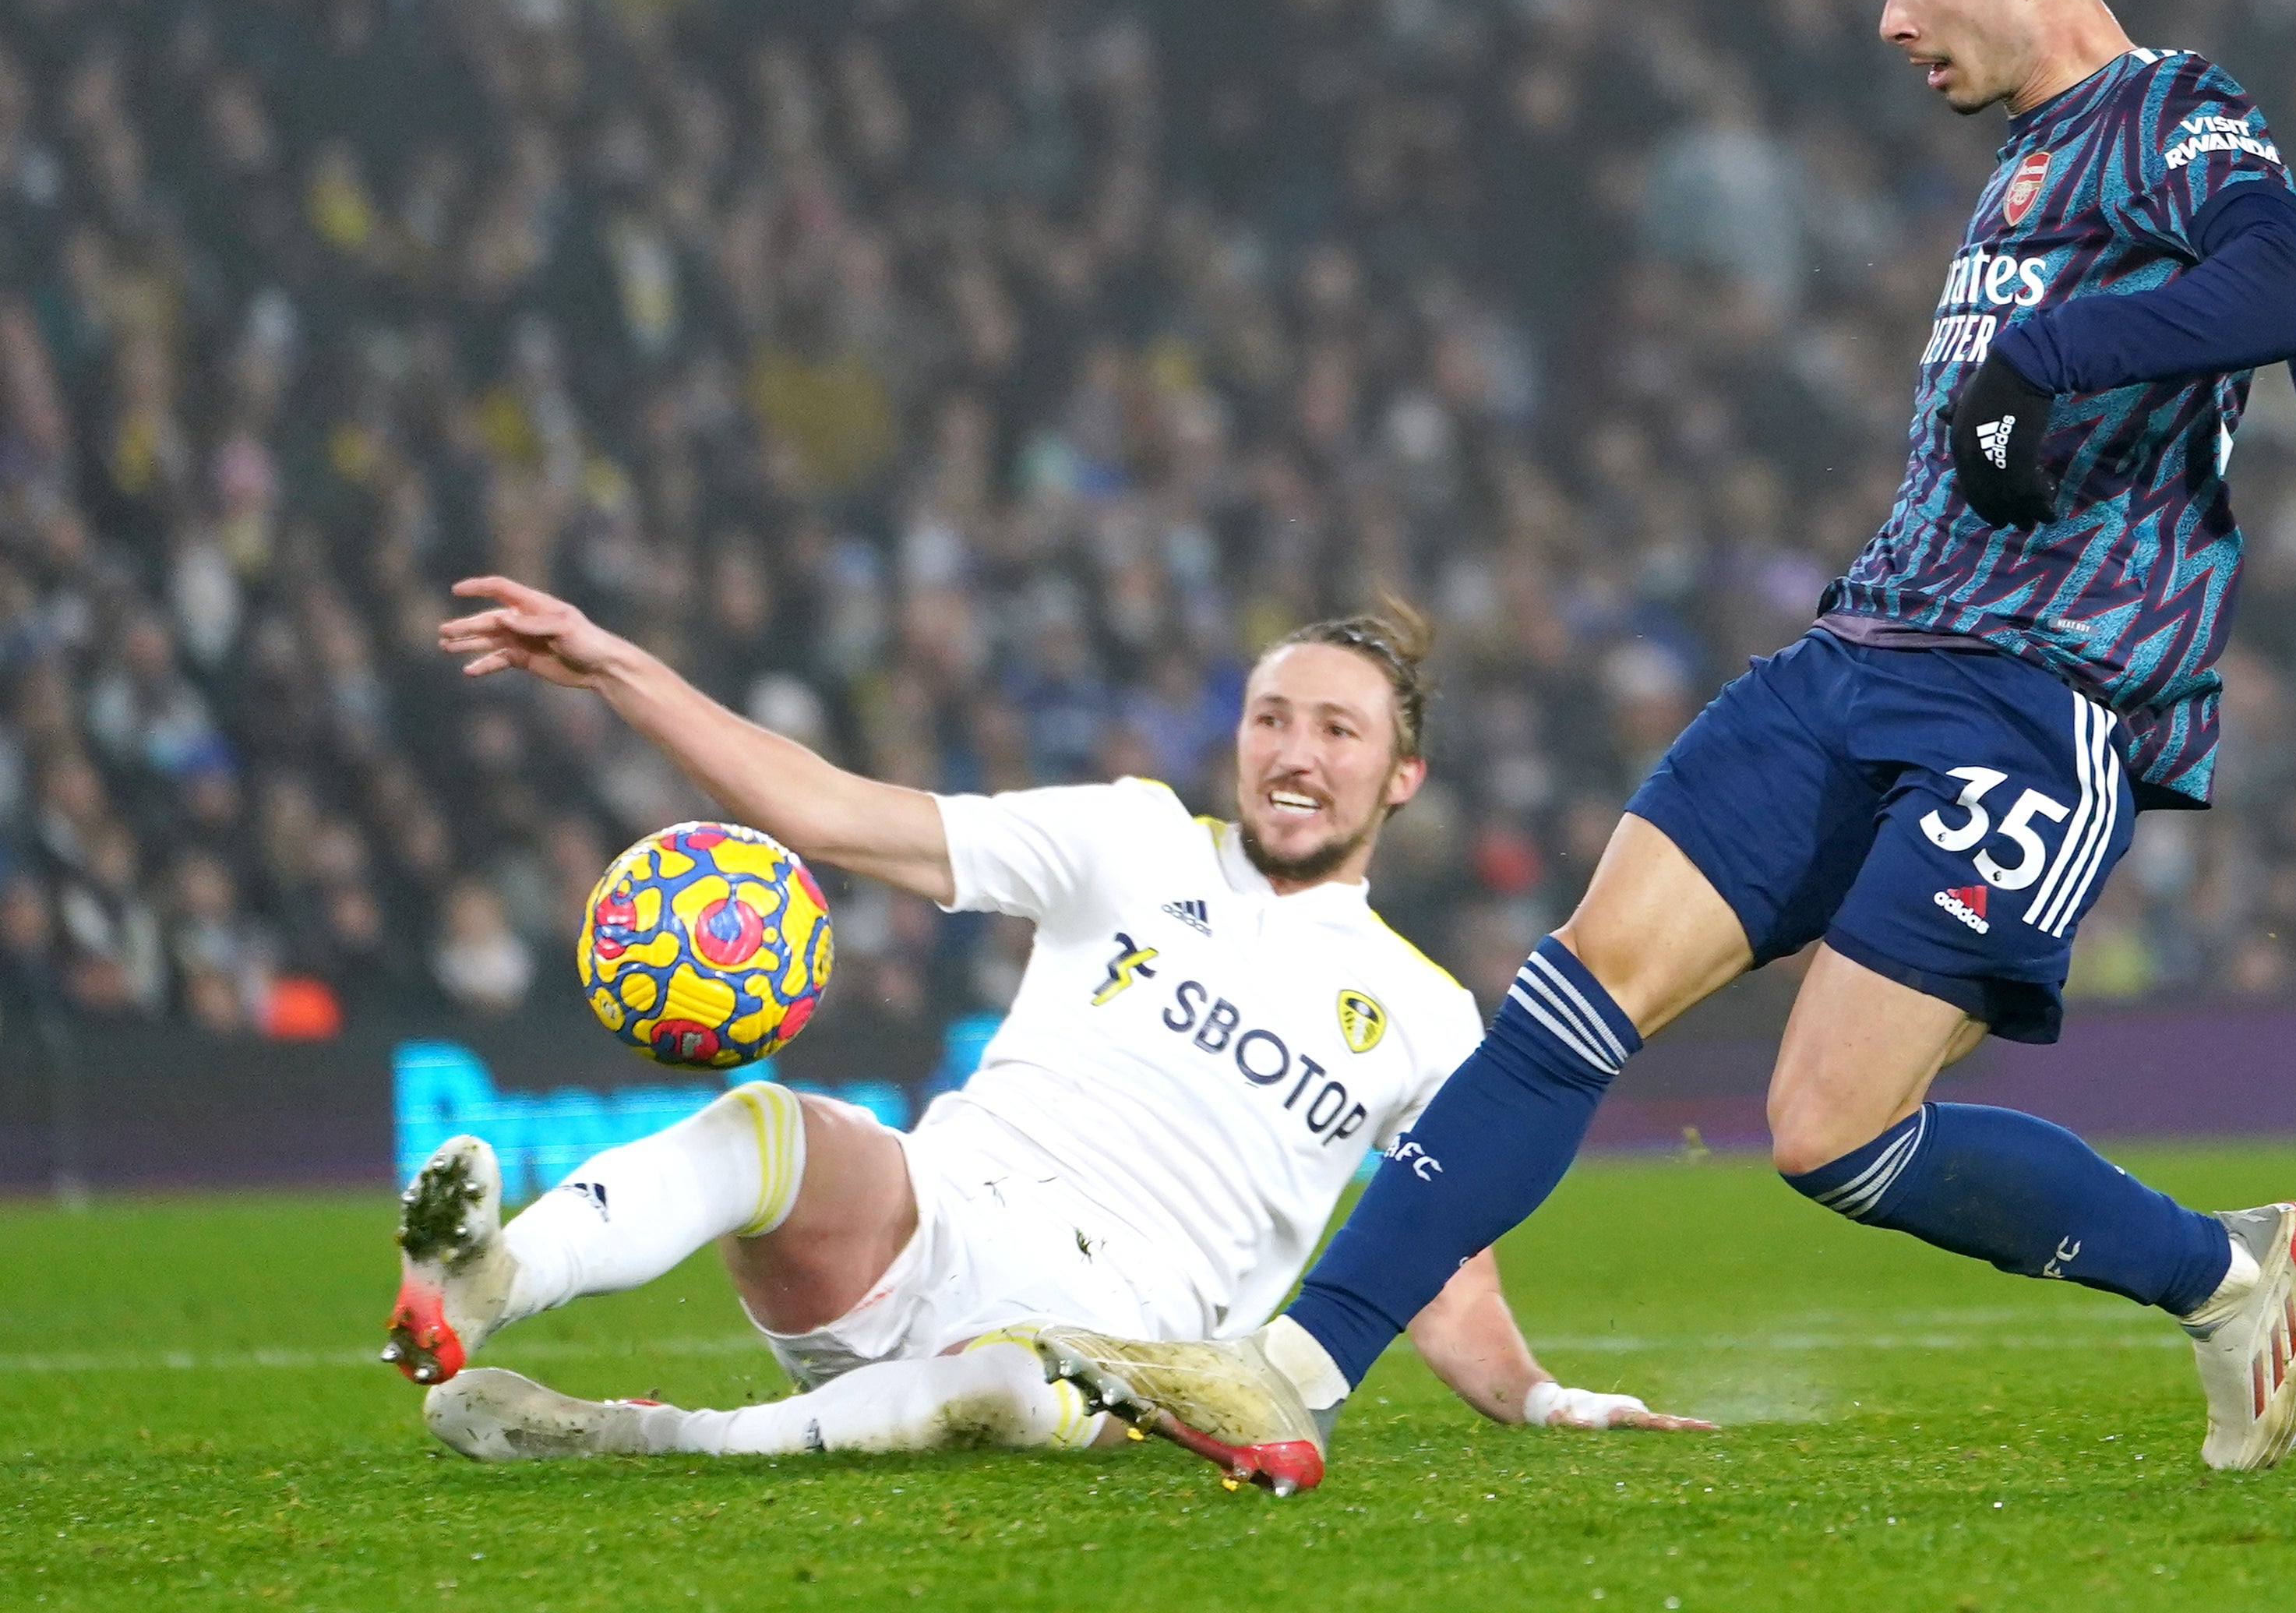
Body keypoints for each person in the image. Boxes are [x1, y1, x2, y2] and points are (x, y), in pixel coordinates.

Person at [1035, 0, 2296, 1491]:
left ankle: (2225, 1272)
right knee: (1570, 994)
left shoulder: (2171, 112)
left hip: (2034, 698)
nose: (1888, 20)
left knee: (1826, 1133)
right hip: (1850, 658)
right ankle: (1287, 1369)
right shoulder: (2025, 159)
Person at [389, 577, 1706, 1477]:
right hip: (940, 1210)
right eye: (1271, 718)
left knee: (1011, 1386)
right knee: (773, 1127)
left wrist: (1545, 1397)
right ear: (1238, 737)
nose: (1296, 751)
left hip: (1127, 1332)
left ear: (1400, 774)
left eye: (1338, 730)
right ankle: (488, 1280)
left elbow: (1443, 1268)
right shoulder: (1125, 837)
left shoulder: (1422, 1013)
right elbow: (835, 813)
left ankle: (661, 1442)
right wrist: (616, 665)